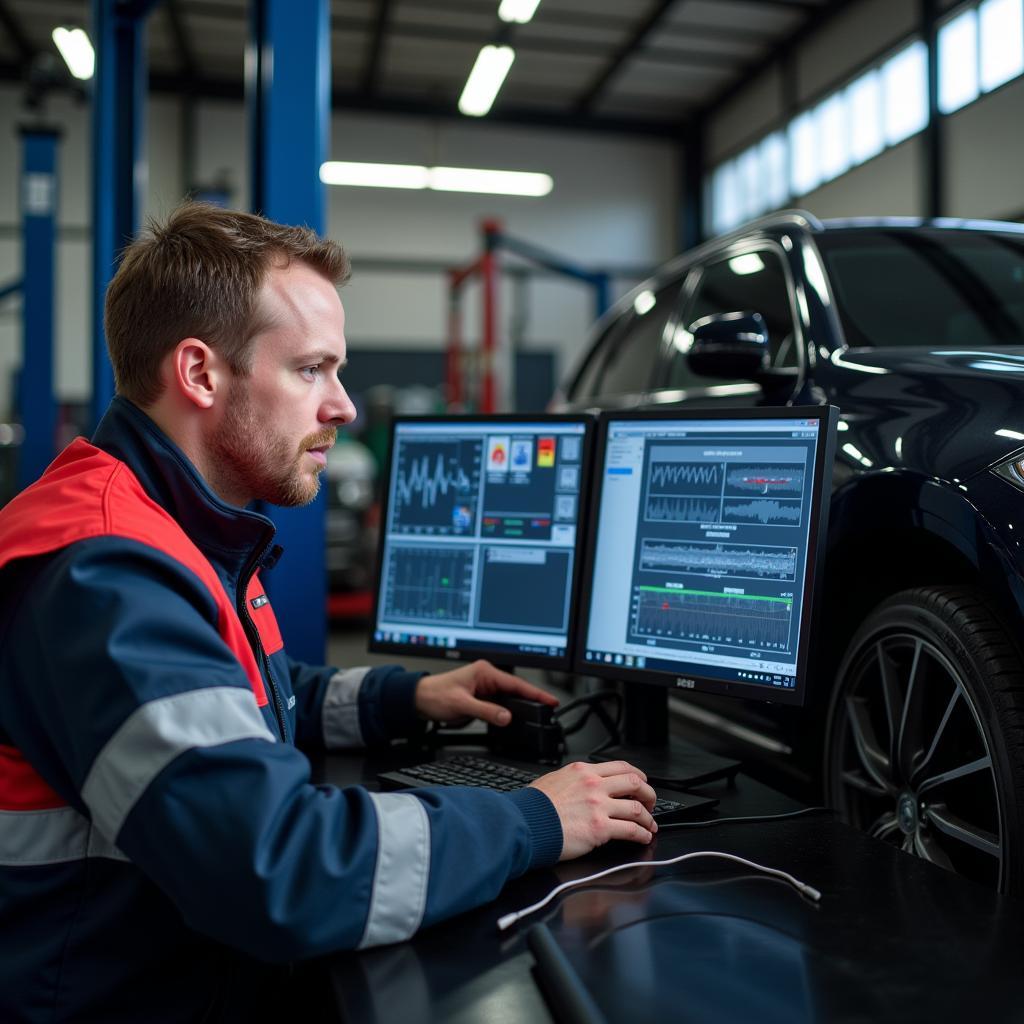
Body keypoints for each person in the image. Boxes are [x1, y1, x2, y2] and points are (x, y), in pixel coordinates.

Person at [0, 203, 657, 1023]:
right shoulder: (104, 572)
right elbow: (278, 871)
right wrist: (533, 819)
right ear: (200, 374)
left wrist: (405, 697)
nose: (343, 407)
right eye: (312, 370)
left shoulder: (174, 529)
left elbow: (256, 696)